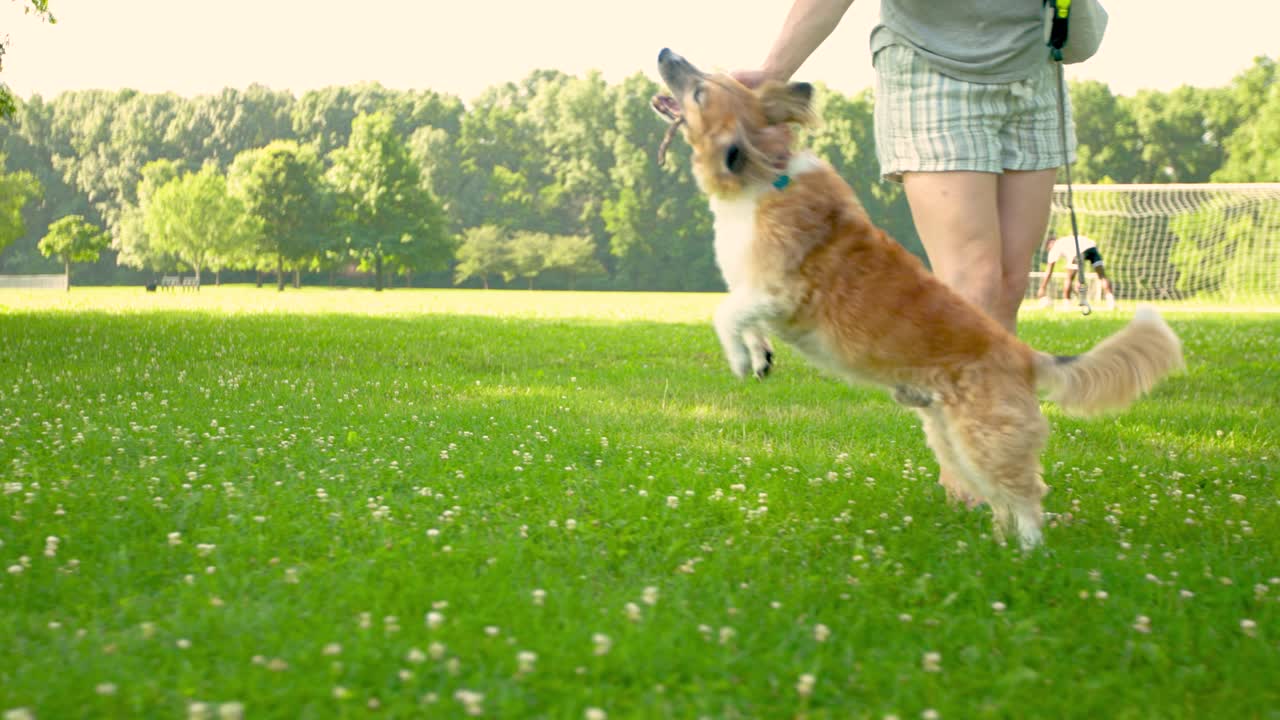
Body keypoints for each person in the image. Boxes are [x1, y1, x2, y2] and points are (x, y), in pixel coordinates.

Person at [735, 0, 1078, 506]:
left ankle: (995, 454)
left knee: (1008, 284)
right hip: (935, 70)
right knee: (974, 278)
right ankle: (968, 471)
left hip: (1032, 67)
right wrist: (773, 73)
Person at [1036, 230, 1117, 309]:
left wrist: (1042, 287)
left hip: (1078, 252)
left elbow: (1049, 270)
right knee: (1102, 276)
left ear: (1050, 244)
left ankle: (1066, 304)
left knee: (1069, 278)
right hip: (1092, 248)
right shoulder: (1067, 240)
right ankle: (1111, 302)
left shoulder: (1056, 246)